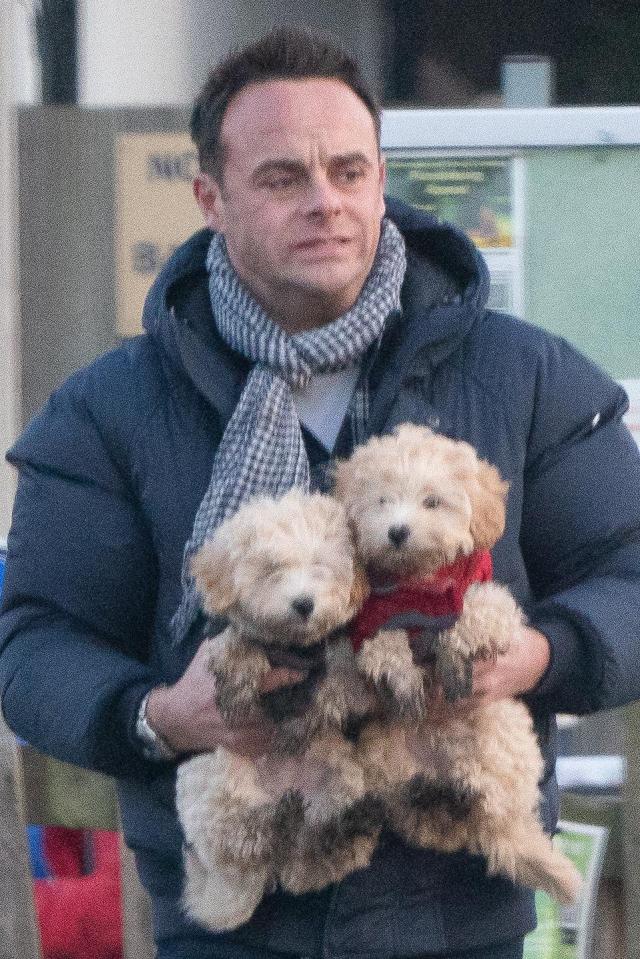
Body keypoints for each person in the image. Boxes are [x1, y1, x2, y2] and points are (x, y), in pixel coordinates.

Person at [1, 25, 640, 959]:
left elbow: (630, 571)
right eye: (282, 178)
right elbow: (35, 639)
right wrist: (157, 714)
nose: (325, 203)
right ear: (210, 199)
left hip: (458, 911)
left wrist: (535, 656)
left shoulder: (528, 377)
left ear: (383, 179)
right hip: (228, 917)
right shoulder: (110, 410)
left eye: (349, 171)